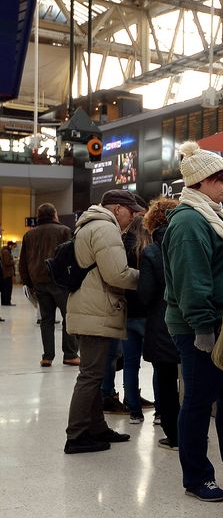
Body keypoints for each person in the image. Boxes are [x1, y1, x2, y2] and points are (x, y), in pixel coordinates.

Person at [163, 141, 223, 502]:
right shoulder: (189, 222)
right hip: (198, 327)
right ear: (200, 182)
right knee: (199, 401)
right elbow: (191, 281)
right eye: (221, 179)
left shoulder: (215, 215)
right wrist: (203, 328)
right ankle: (197, 476)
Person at [64, 190, 144, 454]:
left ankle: (97, 428)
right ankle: (76, 435)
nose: (132, 217)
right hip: (95, 310)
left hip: (89, 307)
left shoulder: (89, 225)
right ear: (117, 208)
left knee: (93, 374)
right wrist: (146, 277)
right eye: (131, 211)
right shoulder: (105, 228)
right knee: (90, 376)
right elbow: (116, 274)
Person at [138, 197, 181, 449]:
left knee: (165, 380)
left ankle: (173, 435)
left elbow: (145, 294)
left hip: (161, 323)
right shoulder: (189, 243)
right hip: (191, 322)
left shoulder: (152, 252)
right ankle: (194, 432)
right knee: (192, 381)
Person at [19, 204, 79, 366]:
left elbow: (23, 262)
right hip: (61, 283)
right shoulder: (64, 231)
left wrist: (28, 283)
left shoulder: (29, 235)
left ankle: (47, 357)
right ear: (54, 214)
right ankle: (70, 354)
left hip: (39, 282)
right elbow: (73, 257)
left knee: (46, 320)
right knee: (69, 317)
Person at [121, 214, 153, 424]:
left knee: (130, 363)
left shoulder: (122, 248)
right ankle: (161, 413)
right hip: (149, 313)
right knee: (159, 363)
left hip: (127, 312)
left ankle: (133, 409)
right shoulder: (151, 249)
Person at [1, 241, 15, 306]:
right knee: (8, 288)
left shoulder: (5, 251)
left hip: (5, 273)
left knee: (4, 288)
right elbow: (7, 262)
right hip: (7, 273)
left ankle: (4, 302)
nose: (13, 248)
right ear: (10, 245)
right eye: (13, 246)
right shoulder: (6, 252)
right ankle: (7, 302)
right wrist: (13, 261)